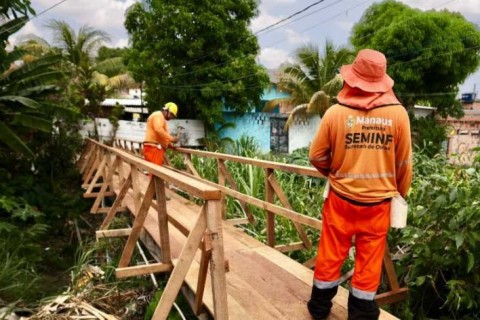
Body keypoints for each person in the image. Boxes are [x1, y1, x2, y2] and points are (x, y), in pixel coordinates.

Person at [307, 49, 412, 320]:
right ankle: (361, 313)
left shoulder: (335, 113)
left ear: (352, 79)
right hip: (377, 207)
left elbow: (316, 156)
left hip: (341, 200)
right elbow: (403, 165)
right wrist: (400, 193)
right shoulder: (399, 115)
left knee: (330, 254)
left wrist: (336, 172)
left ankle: (319, 308)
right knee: (369, 261)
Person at [143, 102, 179, 168]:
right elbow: (158, 129)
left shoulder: (161, 119)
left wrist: (171, 146)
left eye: (173, 116)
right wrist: (172, 139)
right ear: (166, 110)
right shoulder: (158, 115)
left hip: (154, 148)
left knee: (154, 173)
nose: (172, 117)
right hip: (154, 148)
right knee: (156, 173)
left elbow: (161, 137)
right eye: (171, 114)